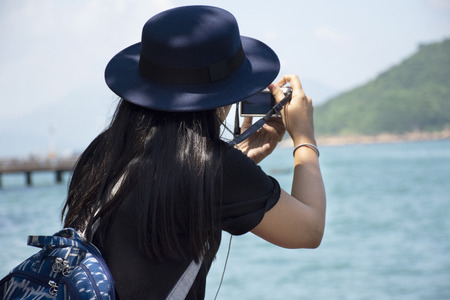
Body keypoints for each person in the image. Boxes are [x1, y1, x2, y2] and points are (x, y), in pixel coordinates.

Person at [62, 5, 326, 300]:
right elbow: (310, 229)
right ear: (222, 95)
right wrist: (304, 137)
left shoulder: (103, 150)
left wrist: (242, 155)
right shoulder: (214, 168)